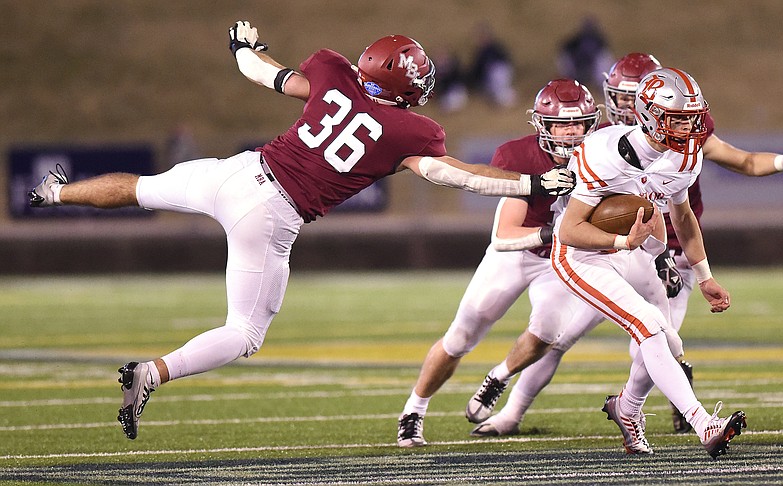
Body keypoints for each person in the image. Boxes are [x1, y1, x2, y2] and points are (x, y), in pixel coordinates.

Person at [27, 21, 577, 441]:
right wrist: (530, 184)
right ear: (404, 84)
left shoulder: (333, 70)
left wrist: (244, 46)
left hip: (236, 171)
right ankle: (150, 373)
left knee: (142, 187)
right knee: (243, 334)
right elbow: (452, 175)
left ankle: (55, 192)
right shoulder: (414, 130)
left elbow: (266, 73)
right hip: (271, 214)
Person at [470, 53, 783, 443]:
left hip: (637, 250)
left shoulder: (685, 154)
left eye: (692, 117)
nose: (689, 127)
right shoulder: (602, 152)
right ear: (650, 116)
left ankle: (626, 409)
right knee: (638, 327)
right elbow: (571, 231)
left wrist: (700, 273)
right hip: (581, 255)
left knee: (667, 338)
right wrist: (624, 241)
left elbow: (680, 216)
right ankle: (703, 424)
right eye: (678, 118)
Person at [396, 79, 601, 447]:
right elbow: (506, 234)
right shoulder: (521, 156)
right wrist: (550, 233)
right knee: (460, 337)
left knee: (547, 332)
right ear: (542, 125)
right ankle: (414, 410)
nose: (572, 132)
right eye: (561, 123)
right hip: (517, 252)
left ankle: (499, 377)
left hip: (559, 257)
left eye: (579, 122)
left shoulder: (603, 156)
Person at [556, 16, 616, 93]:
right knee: (566, 63)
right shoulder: (575, 40)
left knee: (603, 61)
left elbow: (604, 54)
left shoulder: (599, 41)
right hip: (577, 63)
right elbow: (565, 51)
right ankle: (568, 88)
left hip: (593, 64)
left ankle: (603, 88)